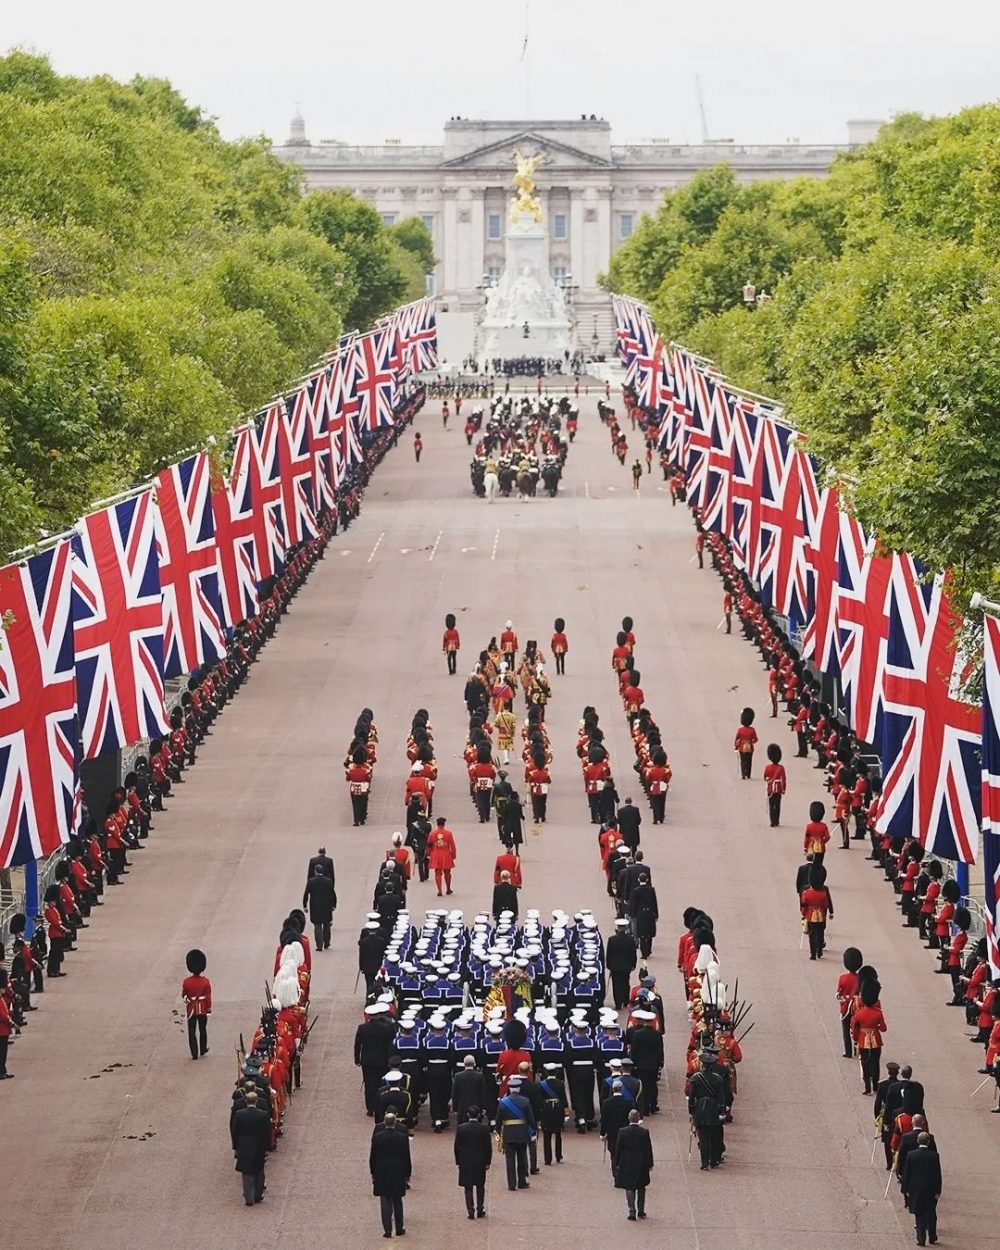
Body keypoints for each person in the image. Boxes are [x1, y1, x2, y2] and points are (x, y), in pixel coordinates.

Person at [369, 1111, 411, 1238]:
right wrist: (407, 1173)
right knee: (397, 1201)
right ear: (395, 1123)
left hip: (381, 1171)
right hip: (397, 1171)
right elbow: (406, 1157)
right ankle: (399, 1228)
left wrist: (372, 1171)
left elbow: (373, 1156)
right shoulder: (402, 1137)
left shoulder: (378, 1137)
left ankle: (387, 1230)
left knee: (385, 1200)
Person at [688, 1045, 727, 1169]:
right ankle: (714, 1160)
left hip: (700, 1107)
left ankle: (704, 1163)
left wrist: (691, 1110)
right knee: (714, 1135)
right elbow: (721, 1097)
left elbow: (691, 1096)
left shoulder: (696, 1078)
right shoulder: (717, 1079)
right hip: (713, 1108)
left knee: (703, 1137)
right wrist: (722, 1111)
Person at [901, 1133, 942, 1247]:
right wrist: (938, 1190)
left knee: (919, 1213)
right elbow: (937, 1174)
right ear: (928, 1142)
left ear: (918, 1141)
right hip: (930, 1187)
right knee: (931, 1212)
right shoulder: (934, 1156)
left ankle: (921, 1238)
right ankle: (932, 1236)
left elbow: (907, 1173)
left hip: (916, 1187)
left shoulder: (911, 1155)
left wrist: (905, 1189)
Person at [232, 1088, 271, 1206]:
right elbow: (267, 1132)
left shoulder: (239, 1114)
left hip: (244, 1145)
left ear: (246, 1101)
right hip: (259, 1145)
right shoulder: (263, 1115)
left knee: (246, 1172)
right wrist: (267, 1147)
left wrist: (235, 1146)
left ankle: (249, 1198)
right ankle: (258, 1195)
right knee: (258, 1170)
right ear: (256, 1101)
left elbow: (235, 1132)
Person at [496, 1074, 535, 1190]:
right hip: (522, 1133)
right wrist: (532, 1133)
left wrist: (498, 1131)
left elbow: (498, 1119)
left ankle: (511, 1184)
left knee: (510, 1159)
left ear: (510, 1088)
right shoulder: (525, 1101)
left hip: (508, 1133)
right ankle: (522, 1182)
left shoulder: (503, 1102)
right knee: (522, 1158)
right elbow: (531, 1119)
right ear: (519, 1089)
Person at [613, 1109, 653, 1220]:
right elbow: (648, 1149)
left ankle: (632, 1211)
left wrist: (617, 1162)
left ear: (629, 1118)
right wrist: (650, 1163)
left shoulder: (623, 1131)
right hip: (641, 1162)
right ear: (638, 1118)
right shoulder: (644, 1132)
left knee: (629, 1187)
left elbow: (618, 1148)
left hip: (627, 1162)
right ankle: (641, 1210)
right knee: (641, 1186)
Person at [454, 1105, 492, 1219]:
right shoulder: (484, 1128)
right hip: (480, 1160)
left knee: (468, 1186)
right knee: (480, 1185)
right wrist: (488, 1161)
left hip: (465, 1160)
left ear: (468, 1115)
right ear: (479, 1115)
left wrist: (458, 1161)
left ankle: (470, 1210)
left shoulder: (461, 1128)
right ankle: (480, 1209)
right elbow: (488, 1147)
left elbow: (456, 1146)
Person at [181, 949, 212, 1060]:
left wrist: (188, 1003)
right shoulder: (205, 981)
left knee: (191, 1030)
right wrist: (208, 1007)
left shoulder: (186, 982)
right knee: (202, 1029)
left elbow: (184, 995)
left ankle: (194, 1052)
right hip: (202, 1008)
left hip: (191, 1009)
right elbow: (208, 997)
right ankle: (203, 1049)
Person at [800, 863, 834, 960]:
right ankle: (819, 951)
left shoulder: (806, 893)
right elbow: (826, 905)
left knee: (811, 935)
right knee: (820, 933)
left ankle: (813, 954)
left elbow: (804, 906)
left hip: (810, 916)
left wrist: (803, 915)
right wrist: (830, 913)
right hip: (821, 915)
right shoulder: (823, 893)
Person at [538, 1063, 569, 1164]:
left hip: (546, 1109)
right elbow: (564, 1099)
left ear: (546, 1072)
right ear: (556, 1072)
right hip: (558, 1109)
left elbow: (539, 1100)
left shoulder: (541, 1084)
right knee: (558, 1133)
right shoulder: (560, 1083)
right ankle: (558, 1155)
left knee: (547, 1134)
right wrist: (566, 1113)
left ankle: (548, 1158)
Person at [302, 864, 337, 952]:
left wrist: (305, 905)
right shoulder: (328, 881)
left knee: (317, 925)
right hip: (326, 906)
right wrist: (334, 904)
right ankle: (327, 942)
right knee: (326, 924)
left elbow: (306, 894)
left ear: (315, 871)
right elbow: (333, 894)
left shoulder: (311, 881)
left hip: (315, 906)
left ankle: (319, 945)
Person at [606, 918, 639, 1009]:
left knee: (616, 984)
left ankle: (618, 1003)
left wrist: (609, 965)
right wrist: (633, 964)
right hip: (626, 965)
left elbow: (609, 954)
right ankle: (625, 1000)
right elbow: (633, 953)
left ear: (618, 927)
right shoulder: (630, 939)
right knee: (625, 983)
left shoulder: (612, 939)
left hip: (615, 966)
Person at [600, 1079, 631, 1171]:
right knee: (623, 1148)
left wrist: (602, 1133)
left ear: (612, 1089)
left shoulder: (606, 1103)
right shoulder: (627, 1103)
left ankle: (614, 1169)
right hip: (624, 1129)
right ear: (621, 1089)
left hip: (611, 1130)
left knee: (613, 1150)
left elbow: (604, 1119)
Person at [628, 874, 659, 960]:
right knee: (649, 932)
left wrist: (632, 914)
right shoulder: (651, 890)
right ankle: (648, 949)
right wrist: (656, 914)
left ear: (638, 880)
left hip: (640, 914)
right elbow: (654, 902)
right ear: (647, 880)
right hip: (650, 913)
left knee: (642, 933)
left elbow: (633, 904)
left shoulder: (635, 891)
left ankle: (644, 953)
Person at [452, 1054, 488, 1125]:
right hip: (477, 1106)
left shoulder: (458, 1076)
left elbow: (455, 1093)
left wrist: (455, 1108)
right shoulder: (480, 1076)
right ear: (474, 1064)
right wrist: (484, 1107)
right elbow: (483, 1093)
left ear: (464, 1064)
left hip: (462, 1107)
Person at [428, 820, 457, 896]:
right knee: (447, 872)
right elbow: (452, 846)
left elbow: (429, 845)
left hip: (436, 854)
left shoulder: (432, 834)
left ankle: (439, 890)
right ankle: (448, 888)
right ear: (444, 824)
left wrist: (429, 854)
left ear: (437, 824)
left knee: (437, 873)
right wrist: (453, 855)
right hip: (446, 854)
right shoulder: (448, 833)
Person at [763, 744, 786, 826]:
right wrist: (783, 789)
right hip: (778, 788)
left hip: (771, 788)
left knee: (771, 805)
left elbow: (765, 777)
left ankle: (772, 821)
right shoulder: (781, 767)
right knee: (777, 805)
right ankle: (776, 820)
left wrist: (768, 780)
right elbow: (783, 779)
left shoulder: (767, 767)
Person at [734, 707, 757, 779]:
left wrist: (736, 746)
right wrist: (752, 742)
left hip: (742, 747)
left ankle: (743, 774)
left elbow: (737, 739)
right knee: (749, 761)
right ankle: (748, 774)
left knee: (743, 761)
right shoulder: (752, 730)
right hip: (750, 747)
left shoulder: (740, 730)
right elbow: (755, 739)